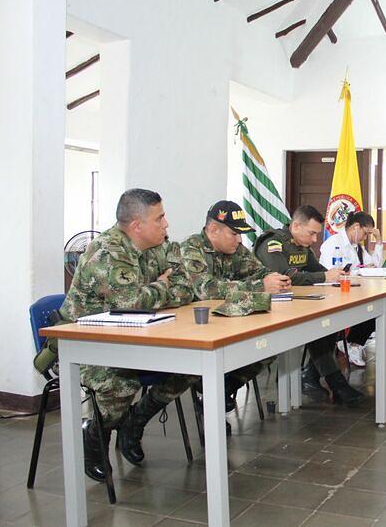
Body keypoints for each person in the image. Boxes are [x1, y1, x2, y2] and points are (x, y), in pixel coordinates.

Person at [55, 189, 196, 482]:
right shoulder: (107, 252)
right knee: (121, 383)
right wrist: (159, 287)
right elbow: (129, 302)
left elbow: (186, 290)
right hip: (86, 345)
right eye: (160, 218)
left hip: (136, 338)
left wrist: (153, 291)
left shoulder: (161, 244)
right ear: (137, 226)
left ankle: (134, 421)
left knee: (190, 368)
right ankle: (95, 436)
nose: (166, 224)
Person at [181, 200, 292, 411]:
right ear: (213, 229)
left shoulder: (236, 249)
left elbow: (259, 271)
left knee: (270, 346)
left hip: (229, 320)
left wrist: (275, 279)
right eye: (234, 234)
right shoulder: (192, 248)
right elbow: (205, 289)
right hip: (198, 328)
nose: (239, 239)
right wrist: (261, 286)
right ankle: (215, 394)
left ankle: (222, 390)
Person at [253, 205, 364, 406]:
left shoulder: (301, 245)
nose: (314, 240)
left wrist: (336, 275)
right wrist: (324, 276)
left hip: (298, 303)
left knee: (330, 323)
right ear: (296, 225)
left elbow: (317, 269)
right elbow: (286, 277)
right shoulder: (273, 243)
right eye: (311, 233)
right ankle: (334, 382)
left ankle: (315, 377)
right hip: (273, 309)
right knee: (319, 325)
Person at [319, 211, 383, 367]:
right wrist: (358, 271)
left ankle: (353, 344)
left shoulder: (357, 248)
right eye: (365, 233)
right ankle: (351, 344)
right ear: (356, 227)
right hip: (332, 294)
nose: (365, 237)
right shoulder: (334, 243)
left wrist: (379, 242)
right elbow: (330, 273)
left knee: (378, 307)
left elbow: (376, 266)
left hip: (353, 292)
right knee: (368, 309)